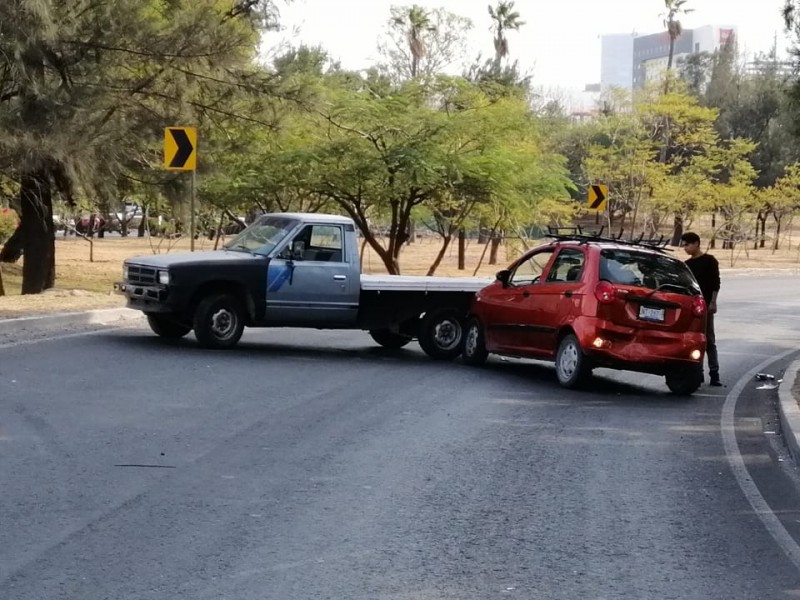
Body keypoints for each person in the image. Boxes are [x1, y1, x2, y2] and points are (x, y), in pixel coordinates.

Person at [680, 232, 721, 386]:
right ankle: (698, 373)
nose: (685, 248)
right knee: (695, 340)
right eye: (683, 245)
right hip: (693, 307)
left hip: (706, 305)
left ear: (696, 243)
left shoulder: (710, 261)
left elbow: (715, 283)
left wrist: (713, 302)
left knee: (709, 340)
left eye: (687, 244)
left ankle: (714, 373)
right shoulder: (687, 265)